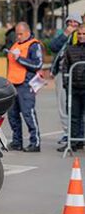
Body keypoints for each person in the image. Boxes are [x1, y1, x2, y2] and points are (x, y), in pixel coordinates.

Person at [7, 22, 43, 152]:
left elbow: (37, 64)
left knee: (28, 114)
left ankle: (35, 142)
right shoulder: (16, 45)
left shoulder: (34, 45)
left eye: (20, 34)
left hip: (25, 84)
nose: (18, 37)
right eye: (17, 34)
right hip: (12, 84)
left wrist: (20, 59)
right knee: (12, 115)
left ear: (27, 32)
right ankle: (17, 142)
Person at [50, 13, 83, 145]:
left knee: (77, 107)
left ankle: (78, 135)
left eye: (76, 23)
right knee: (63, 104)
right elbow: (53, 47)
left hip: (78, 74)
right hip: (61, 73)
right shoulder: (62, 34)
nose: (73, 25)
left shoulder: (80, 35)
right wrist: (65, 35)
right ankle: (67, 133)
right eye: (70, 22)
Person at [59, 25, 85, 152]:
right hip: (74, 87)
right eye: (79, 34)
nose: (81, 36)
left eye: (84, 34)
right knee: (73, 116)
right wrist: (66, 84)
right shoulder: (70, 49)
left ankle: (82, 140)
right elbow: (65, 68)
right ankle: (73, 142)